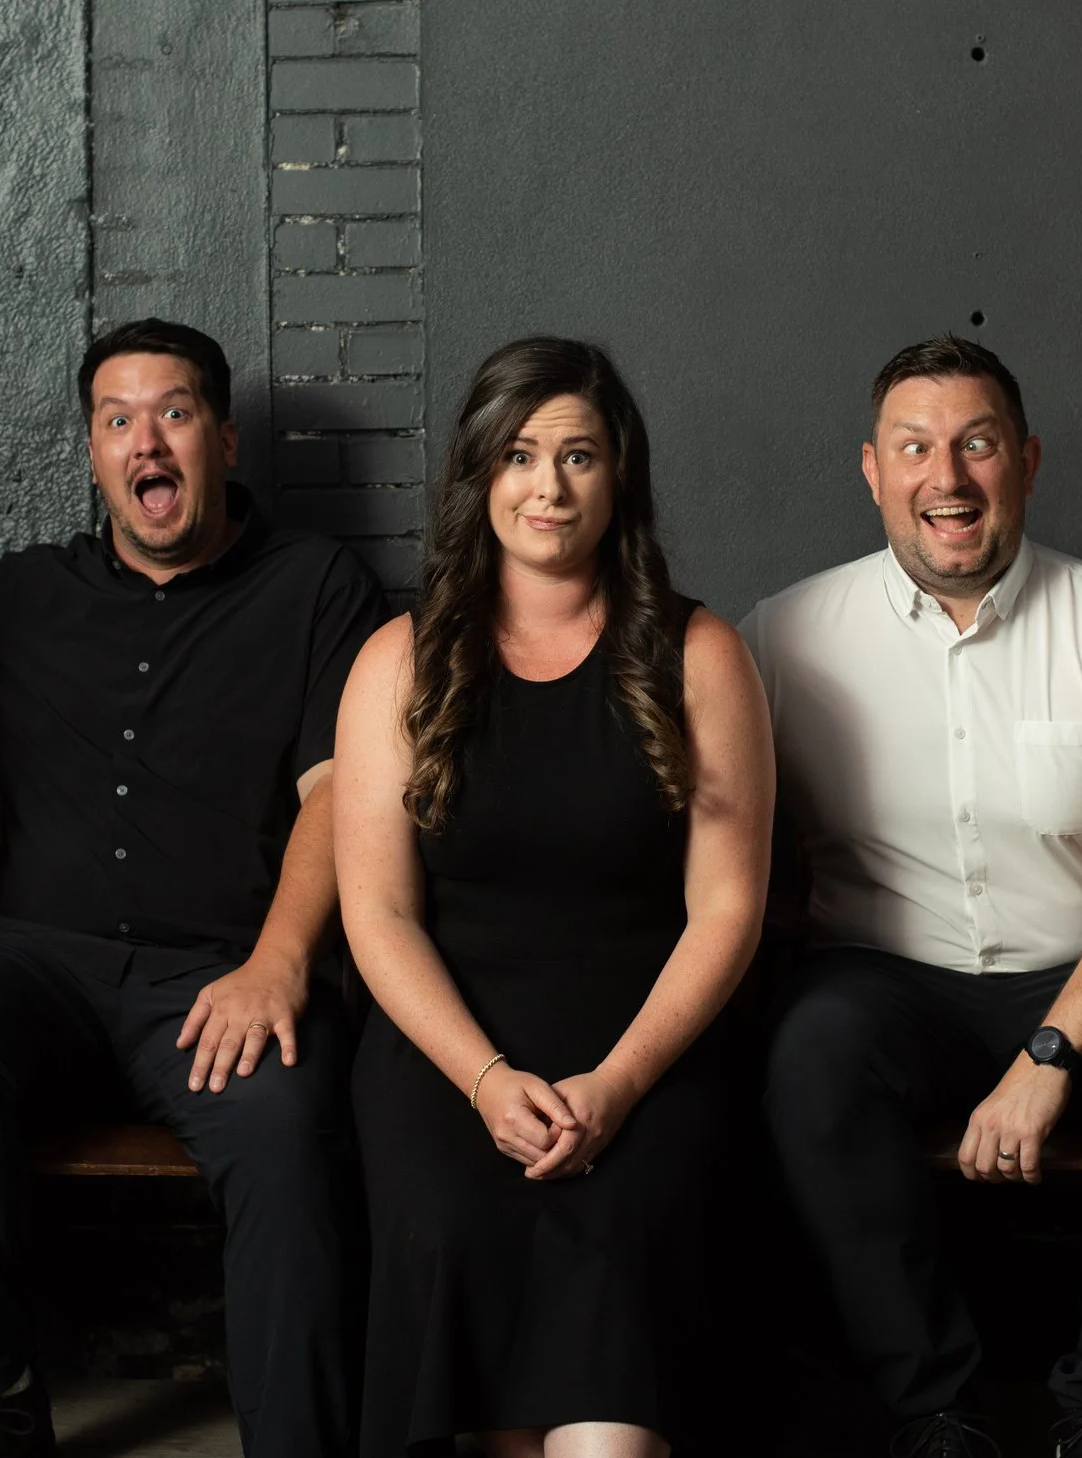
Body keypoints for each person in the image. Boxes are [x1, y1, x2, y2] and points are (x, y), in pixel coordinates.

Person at [0, 318, 387, 1456]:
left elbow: (341, 792)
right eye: (117, 419)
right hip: (33, 964)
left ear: (223, 439)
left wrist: (279, 964)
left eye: (174, 412)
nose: (147, 441)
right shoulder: (26, 593)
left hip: (218, 977)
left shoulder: (315, 585)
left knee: (287, 1126)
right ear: (93, 453)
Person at [744, 335, 1082, 1458]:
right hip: (883, 981)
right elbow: (710, 843)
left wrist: (1047, 1053)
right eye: (913, 447)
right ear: (871, 471)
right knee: (807, 1048)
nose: (948, 477)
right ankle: (932, 1413)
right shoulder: (780, 639)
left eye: (976, 444)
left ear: (1025, 461)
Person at [334, 336, 774, 1457]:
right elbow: (378, 914)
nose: (549, 487)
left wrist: (617, 1086)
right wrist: (486, 1081)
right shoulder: (397, 663)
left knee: (608, 1416)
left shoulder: (702, 655)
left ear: (618, 474)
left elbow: (727, 908)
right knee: (454, 1240)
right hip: (446, 1056)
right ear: (480, 473)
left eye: (578, 455)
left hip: (648, 1055)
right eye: (519, 455)